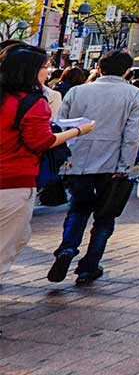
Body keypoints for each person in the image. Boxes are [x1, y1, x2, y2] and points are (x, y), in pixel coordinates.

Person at [48, 49, 139, 286]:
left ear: (99, 67)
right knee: (104, 217)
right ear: (127, 71)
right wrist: (125, 166)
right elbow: (132, 135)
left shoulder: (77, 91)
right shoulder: (134, 94)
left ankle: (67, 249)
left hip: (76, 160)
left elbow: (60, 125)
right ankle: (89, 266)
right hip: (111, 163)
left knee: (78, 210)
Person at [1, 45, 91, 279]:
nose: (48, 71)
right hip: (14, 181)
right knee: (7, 245)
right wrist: (78, 131)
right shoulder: (33, 102)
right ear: (30, 71)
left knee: (20, 237)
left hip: (12, 180)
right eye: (45, 67)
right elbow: (42, 141)